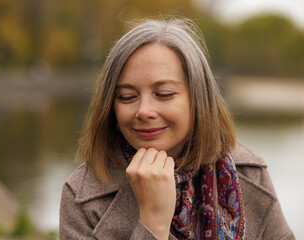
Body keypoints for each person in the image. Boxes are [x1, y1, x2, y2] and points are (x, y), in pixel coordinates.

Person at [60, 18, 295, 240]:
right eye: (127, 96)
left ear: (198, 99)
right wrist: (152, 224)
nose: (144, 110)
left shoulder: (250, 173)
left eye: (164, 94)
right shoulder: (82, 195)